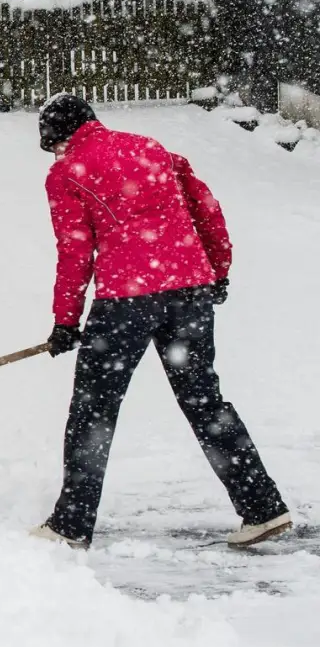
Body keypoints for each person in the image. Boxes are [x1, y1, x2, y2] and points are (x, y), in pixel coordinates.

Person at [28, 93, 291, 550]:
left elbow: (74, 251)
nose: (52, 154)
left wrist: (66, 322)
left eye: (50, 144)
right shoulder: (151, 148)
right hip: (188, 290)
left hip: (126, 301)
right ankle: (263, 508)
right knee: (206, 402)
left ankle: (70, 526)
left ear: (59, 137)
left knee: (94, 410)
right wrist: (216, 271)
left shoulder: (67, 172)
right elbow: (205, 207)